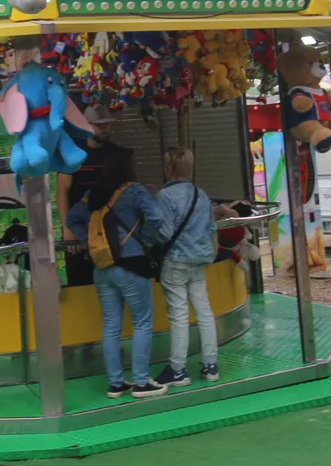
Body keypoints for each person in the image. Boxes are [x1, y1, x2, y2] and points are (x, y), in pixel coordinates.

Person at [65, 145, 168, 400]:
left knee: (111, 325)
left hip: (101, 266)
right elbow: (156, 218)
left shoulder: (93, 194)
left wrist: (88, 240)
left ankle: (116, 383)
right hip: (131, 263)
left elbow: (72, 219)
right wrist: (145, 239)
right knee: (142, 323)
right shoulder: (134, 190)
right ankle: (141, 382)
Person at [153, 146, 218, 387]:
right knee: (204, 310)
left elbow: (164, 233)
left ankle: (178, 369)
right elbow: (212, 228)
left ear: (169, 168)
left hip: (176, 261)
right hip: (199, 259)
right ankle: (210, 365)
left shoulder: (164, 196)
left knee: (179, 314)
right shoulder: (201, 194)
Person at [57, 105, 115, 286]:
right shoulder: (74, 155)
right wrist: (67, 229)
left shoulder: (115, 154)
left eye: (107, 124)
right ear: (86, 126)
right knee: (80, 285)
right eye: (99, 125)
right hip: (79, 234)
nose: (105, 129)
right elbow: (61, 191)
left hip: (109, 233)